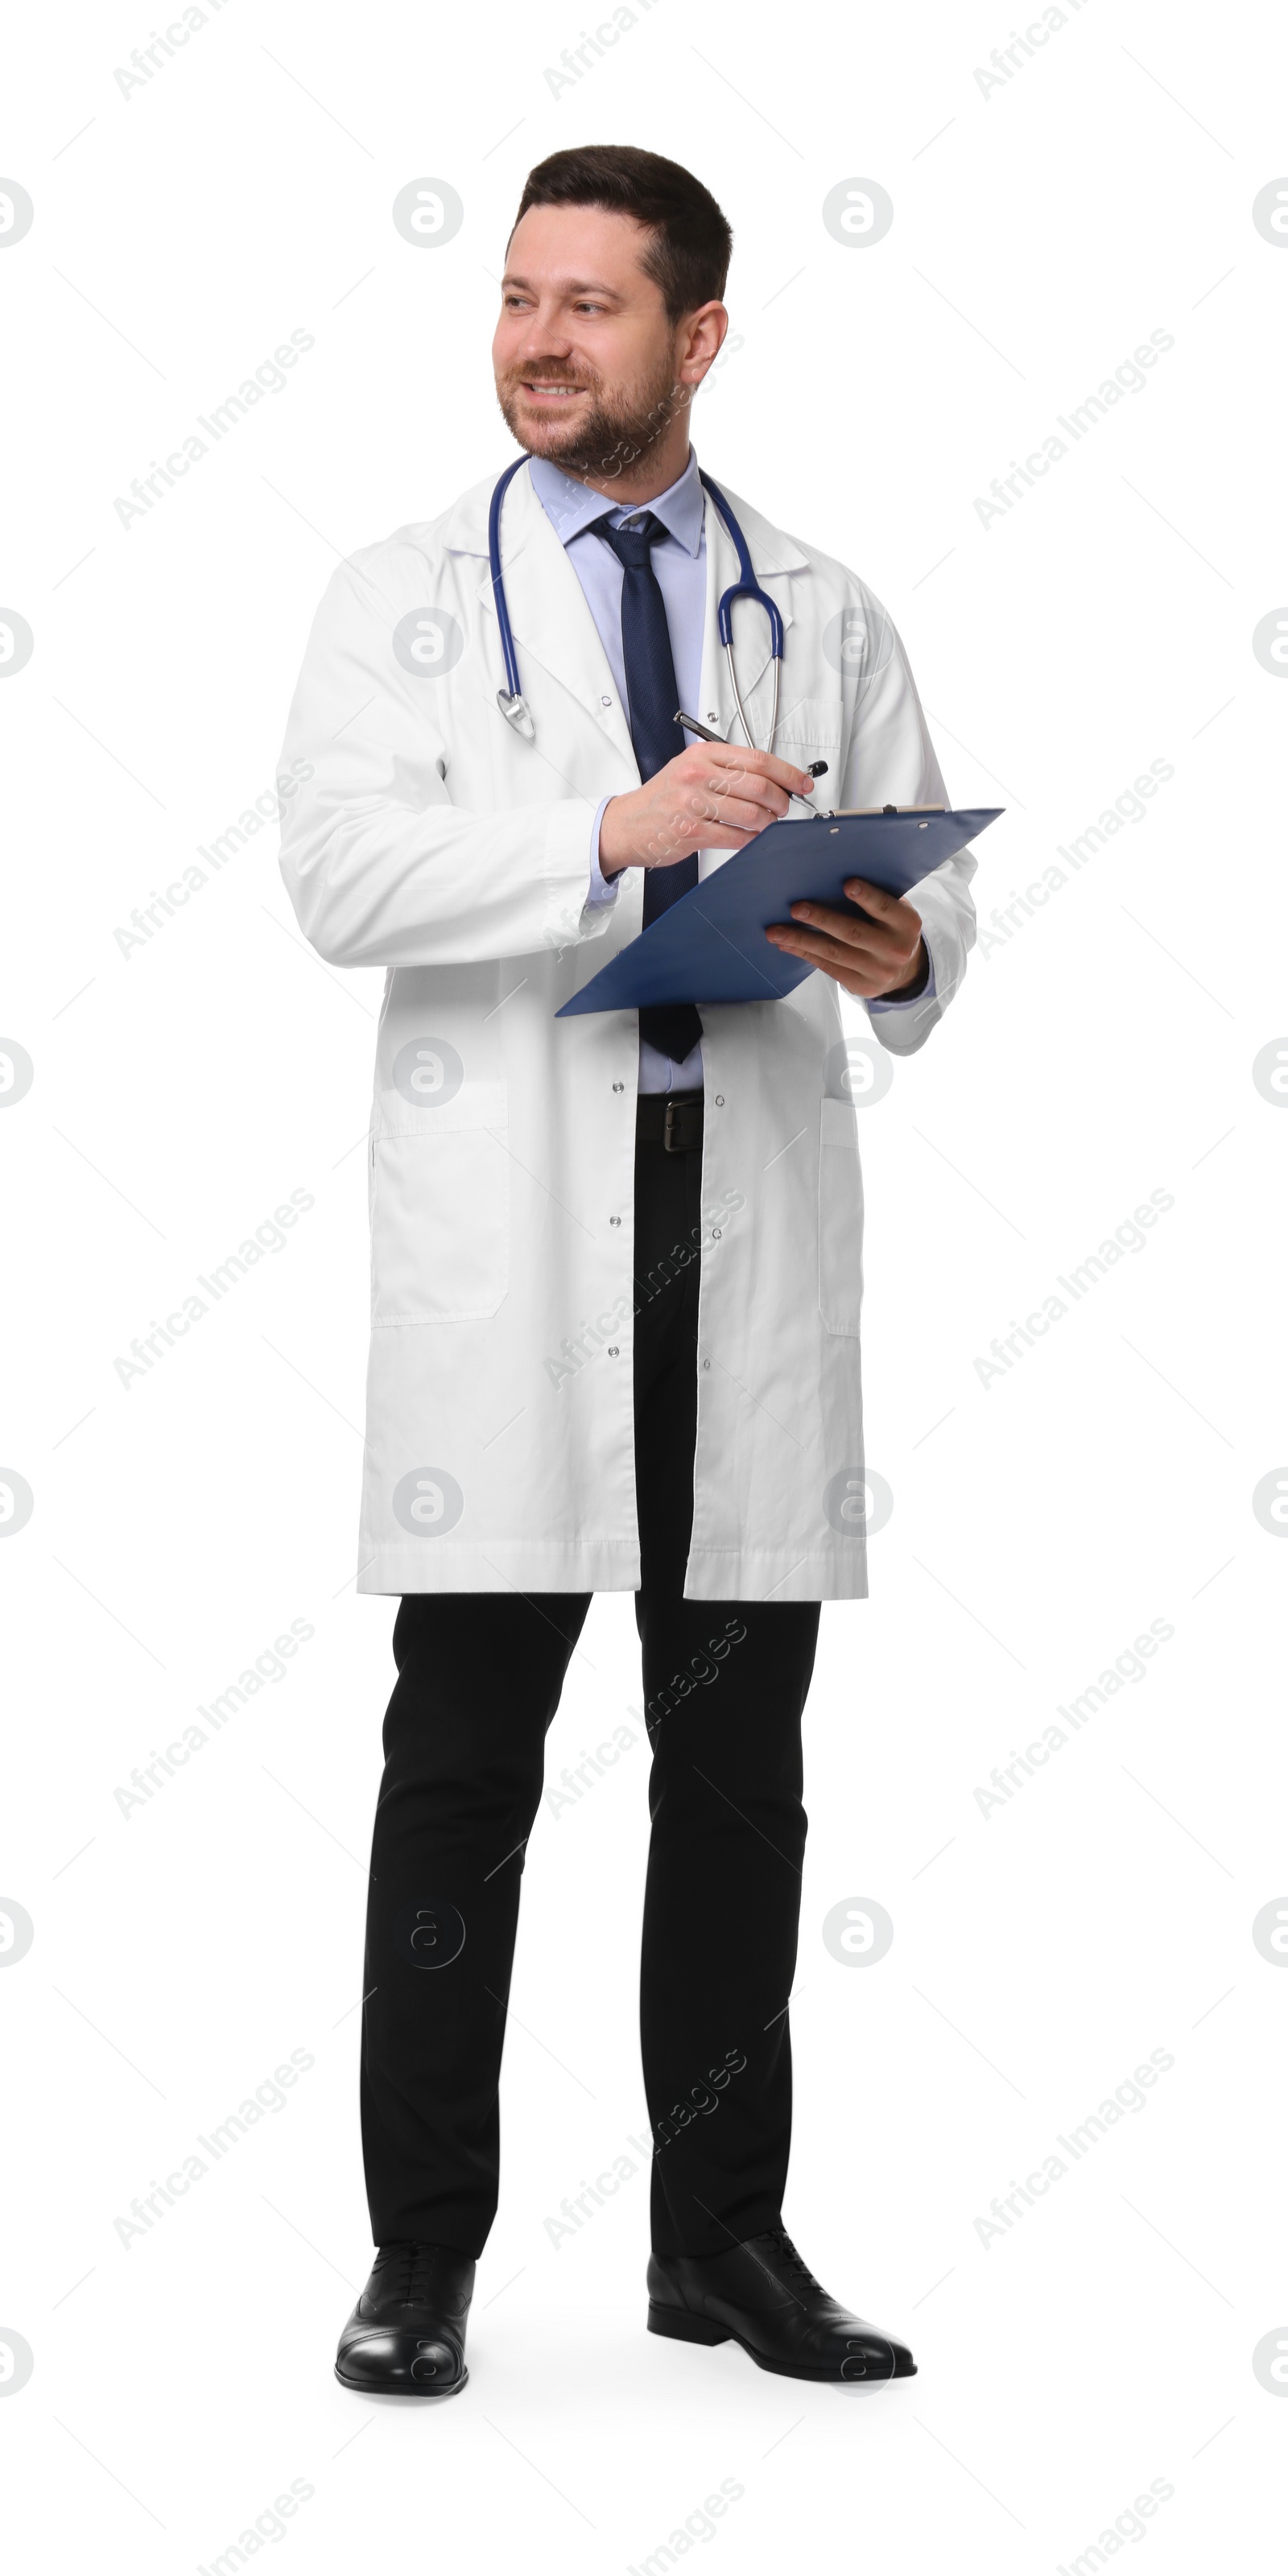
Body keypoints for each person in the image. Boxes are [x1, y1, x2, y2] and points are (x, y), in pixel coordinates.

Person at [276, 142, 976, 2396]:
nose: (536, 343)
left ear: (701, 335)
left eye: (588, 305)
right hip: (513, 1249)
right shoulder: (401, 597)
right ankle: (423, 2259)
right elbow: (342, 876)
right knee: (464, 1763)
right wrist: (611, 828)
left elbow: (926, 910)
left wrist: (891, 943)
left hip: (736, 1233)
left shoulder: (820, 602)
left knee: (741, 1768)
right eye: (513, 299)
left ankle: (726, 2246)